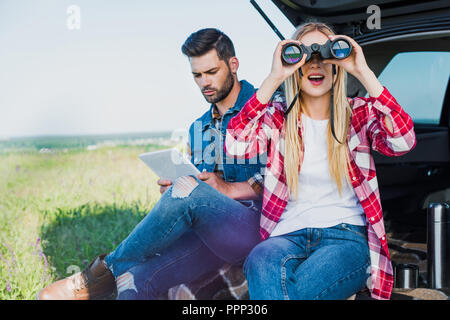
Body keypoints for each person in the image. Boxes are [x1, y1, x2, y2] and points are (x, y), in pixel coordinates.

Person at [37, 28, 266, 300]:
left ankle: (103, 271)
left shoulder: (266, 107)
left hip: (252, 228)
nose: (204, 82)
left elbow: (284, 179)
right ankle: (116, 274)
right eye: (197, 75)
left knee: (188, 191)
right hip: (206, 237)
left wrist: (224, 189)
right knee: (134, 281)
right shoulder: (197, 128)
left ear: (233, 64)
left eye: (212, 72)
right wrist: (176, 192)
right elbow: (199, 187)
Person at [225, 22, 416, 300]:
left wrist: (363, 71)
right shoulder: (278, 117)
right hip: (286, 235)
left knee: (296, 293)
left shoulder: (359, 114)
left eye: (325, 56)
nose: (316, 65)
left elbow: (403, 141)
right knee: (259, 260)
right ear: (294, 65)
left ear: (337, 65)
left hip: (345, 236)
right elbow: (235, 144)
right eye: (304, 57)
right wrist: (274, 77)